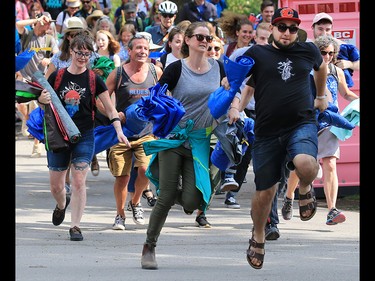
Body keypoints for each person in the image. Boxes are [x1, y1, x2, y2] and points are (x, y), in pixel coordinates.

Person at [226, 7, 328, 269]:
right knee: (265, 193)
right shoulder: (258, 53)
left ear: (298, 31)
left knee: (306, 164)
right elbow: (243, 81)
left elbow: (321, 69)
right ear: (272, 28)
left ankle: (304, 188)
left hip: (300, 123)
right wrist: (234, 103)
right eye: (282, 27)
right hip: (267, 131)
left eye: (292, 28)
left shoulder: (309, 50)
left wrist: (320, 96)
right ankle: (258, 235)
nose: (287, 32)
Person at [140, 21, 225, 270]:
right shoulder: (176, 69)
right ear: (187, 40)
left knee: (192, 202)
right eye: (199, 37)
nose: (205, 41)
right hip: (174, 138)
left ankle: (185, 200)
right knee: (166, 196)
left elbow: (231, 93)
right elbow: (157, 97)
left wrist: (232, 107)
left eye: (208, 38)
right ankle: (149, 246)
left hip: (199, 139)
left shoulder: (218, 68)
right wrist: (163, 105)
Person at [37, 32, 129, 241]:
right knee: (57, 186)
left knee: (79, 180)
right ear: (71, 51)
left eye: (87, 54)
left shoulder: (94, 79)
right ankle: (62, 204)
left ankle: (75, 226)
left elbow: (110, 109)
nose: (83, 57)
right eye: (79, 53)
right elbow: (45, 103)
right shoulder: (57, 76)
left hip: (85, 135)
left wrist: (118, 130)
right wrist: (42, 99)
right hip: (59, 136)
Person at [281, 35, 359, 226]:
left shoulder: (336, 71)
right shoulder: (305, 69)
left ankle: (332, 209)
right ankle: (290, 196)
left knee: (330, 164)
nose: (327, 56)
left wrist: (357, 102)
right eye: (323, 52)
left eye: (331, 53)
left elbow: (346, 93)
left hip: (329, 123)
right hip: (306, 123)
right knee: (301, 167)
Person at [96, 32, 162, 230]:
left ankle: (136, 202)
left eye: (145, 48)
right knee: (122, 177)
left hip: (147, 132)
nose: (142, 51)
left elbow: (165, 98)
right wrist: (114, 115)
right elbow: (100, 99)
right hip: (121, 133)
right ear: (130, 50)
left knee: (144, 170)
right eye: (138, 48)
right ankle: (120, 214)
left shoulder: (156, 71)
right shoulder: (117, 73)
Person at [16, 11, 59, 158]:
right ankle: (26, 120)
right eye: (45, 21)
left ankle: (36, 145)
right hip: (23, 76)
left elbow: (57, 54)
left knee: (38, 110)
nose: (48, 24)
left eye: (49, 22)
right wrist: (37, 19)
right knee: (19, 106)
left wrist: (50, 59)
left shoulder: (49, 39)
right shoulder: (27, 35)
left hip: (39, 79)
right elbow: (18, 24)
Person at [310, 12, 360, 88]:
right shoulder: (307, 47)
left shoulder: (344, 47)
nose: (324, 33)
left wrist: (350, 64)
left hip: (339, 91)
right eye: (320, 29)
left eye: (327, 29)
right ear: (313, 28)